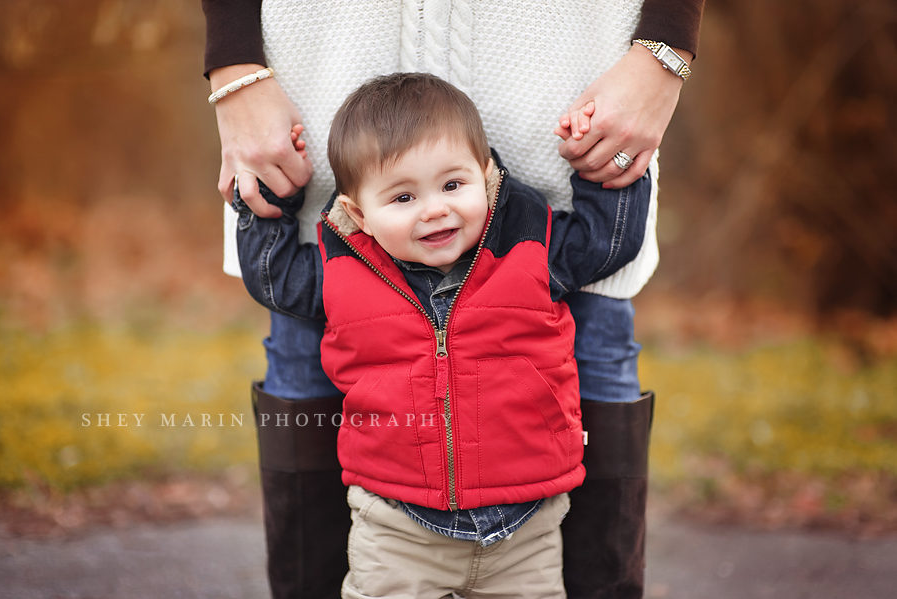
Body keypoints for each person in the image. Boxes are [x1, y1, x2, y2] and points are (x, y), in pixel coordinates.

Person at [201, 2, 705, 598]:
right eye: (404, 197)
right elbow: (276, 278)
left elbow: (604, 243)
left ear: (487, 177)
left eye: (452, 186)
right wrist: (261, 188)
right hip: (396, 534)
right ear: (358, 214)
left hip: (526, 534)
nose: (435, 209)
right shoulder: (343, 268)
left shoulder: (530, 247)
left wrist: (639, 101)